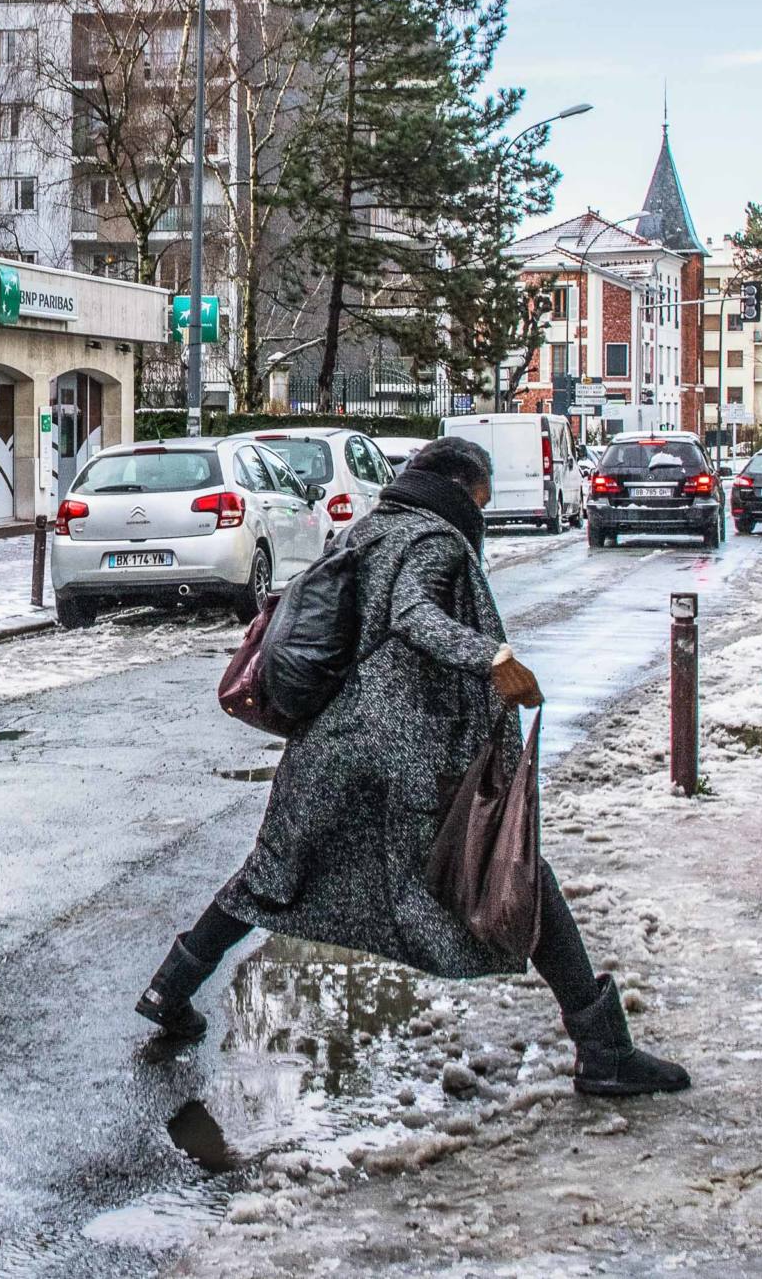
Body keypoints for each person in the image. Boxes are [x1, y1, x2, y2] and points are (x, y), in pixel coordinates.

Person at [134, 435, 689, 1098]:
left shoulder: (369, 530)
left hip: (332, 746)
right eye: (482, 498)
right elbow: (414, 613)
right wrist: (492, 657)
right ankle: (603, 1051)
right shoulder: (434, 541)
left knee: (272, 873)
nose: (483, 511)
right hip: (411, 752)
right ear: (461, 488)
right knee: (514, 873)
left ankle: (169, 990)